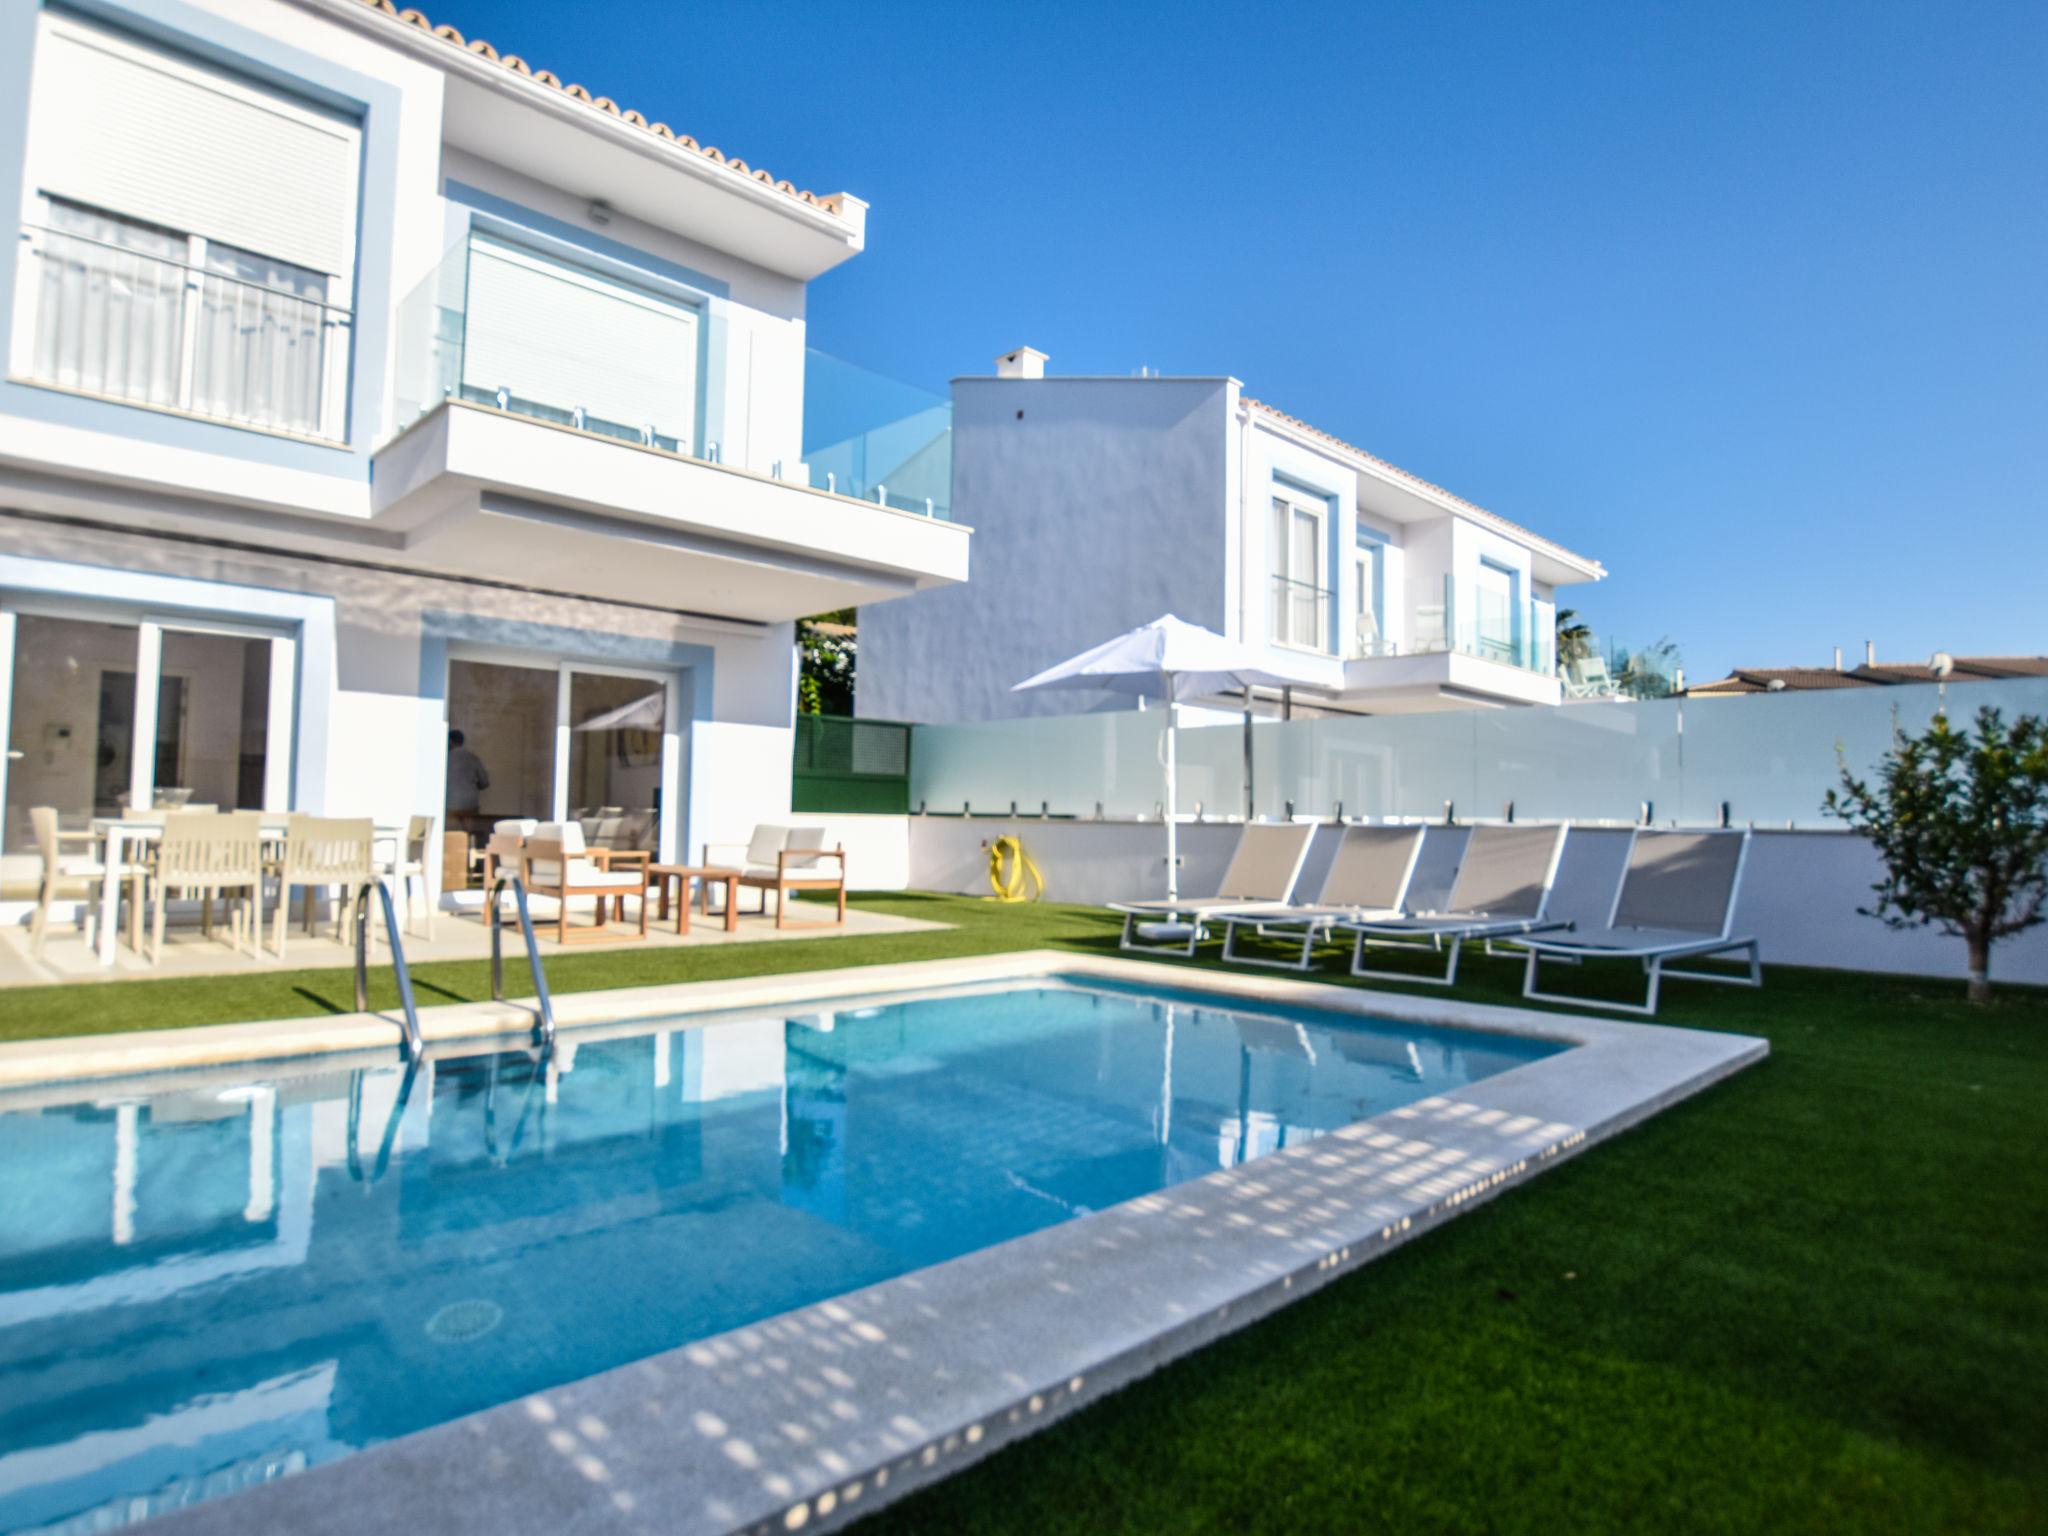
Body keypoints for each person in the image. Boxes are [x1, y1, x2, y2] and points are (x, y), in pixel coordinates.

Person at [446, 729, 490, 826]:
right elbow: (485, 782)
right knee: (470, 834)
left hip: (450, 804)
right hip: (470, 804)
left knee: (452, 834)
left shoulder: (445, 758)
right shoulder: (473, 758)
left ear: (450, 741)